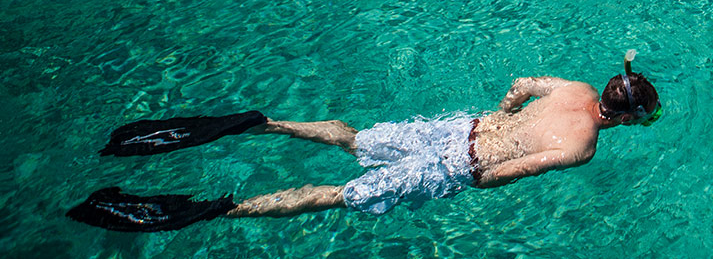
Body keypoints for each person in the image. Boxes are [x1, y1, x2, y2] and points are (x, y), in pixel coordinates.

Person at [67, 52, 662, 232]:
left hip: (462, 127)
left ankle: (261, 124)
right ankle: (221, 209)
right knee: (341, 195)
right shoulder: (585, 146)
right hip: (462, 157)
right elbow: (513, 173)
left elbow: (521, 84)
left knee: (354, 142)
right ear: (628, 118)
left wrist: (497, 114)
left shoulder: (575, 87)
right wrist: (465, 180)